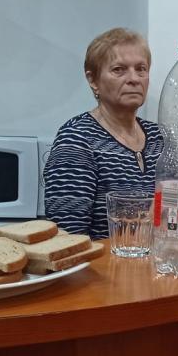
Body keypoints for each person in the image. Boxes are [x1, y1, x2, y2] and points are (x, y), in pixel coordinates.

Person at [43, 28, 163, 239]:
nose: (134, 78)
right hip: (102, 260)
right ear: (93, 80)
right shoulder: (76, 138)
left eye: (141, 69)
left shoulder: (159, 138)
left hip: (160, 257)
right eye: (119, 70)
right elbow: (69, 237)